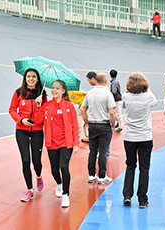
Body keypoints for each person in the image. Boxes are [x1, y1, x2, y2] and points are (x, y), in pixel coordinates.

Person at [35, 80, 79, 208]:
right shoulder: (47, 105)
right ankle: (59, 183)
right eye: (53, 88)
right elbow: (38, 121)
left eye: (57, 88)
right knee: (55, 169)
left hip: (66, 142)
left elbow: (74, 125)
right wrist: (38, 105)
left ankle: (66, 195)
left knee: (64, 167)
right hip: (51, 142)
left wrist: (75, 142)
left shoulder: (69, 106)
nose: (54, 90)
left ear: (63, 91)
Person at [8, 68, 47, 202]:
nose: (31, 79)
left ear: (37, 79)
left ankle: (39, 176)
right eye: (28, 76)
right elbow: (12, 110)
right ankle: (30, 190)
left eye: (33, 77)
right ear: (25, 78)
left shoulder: (42, 95)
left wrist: (40, 105)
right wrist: (21, 120)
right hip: (21, 130)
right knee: (25, 160)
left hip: (37, 131)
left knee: (36, 161)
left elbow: (45, 115)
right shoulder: (18, 92)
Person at [122, 72, 157, 209]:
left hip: (129, 137)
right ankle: (142, 199)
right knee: (144, 168)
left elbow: (124, 106)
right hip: (144, 137)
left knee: (130, 166)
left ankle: (127, 195)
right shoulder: (148, 96)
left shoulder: (126, 96)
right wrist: (147, 89)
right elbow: (154, 101)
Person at [81, 72, 116, 184]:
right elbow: (111, 112)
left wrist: (87, 122)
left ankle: (91, 175)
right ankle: (102, 175)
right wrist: (113, 123)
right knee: (103, 151)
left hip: (92, 124)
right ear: (105, 81)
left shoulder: (89, 93)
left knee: (92, 150)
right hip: (104, 124)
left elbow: (83, 109)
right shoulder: (107, 94)